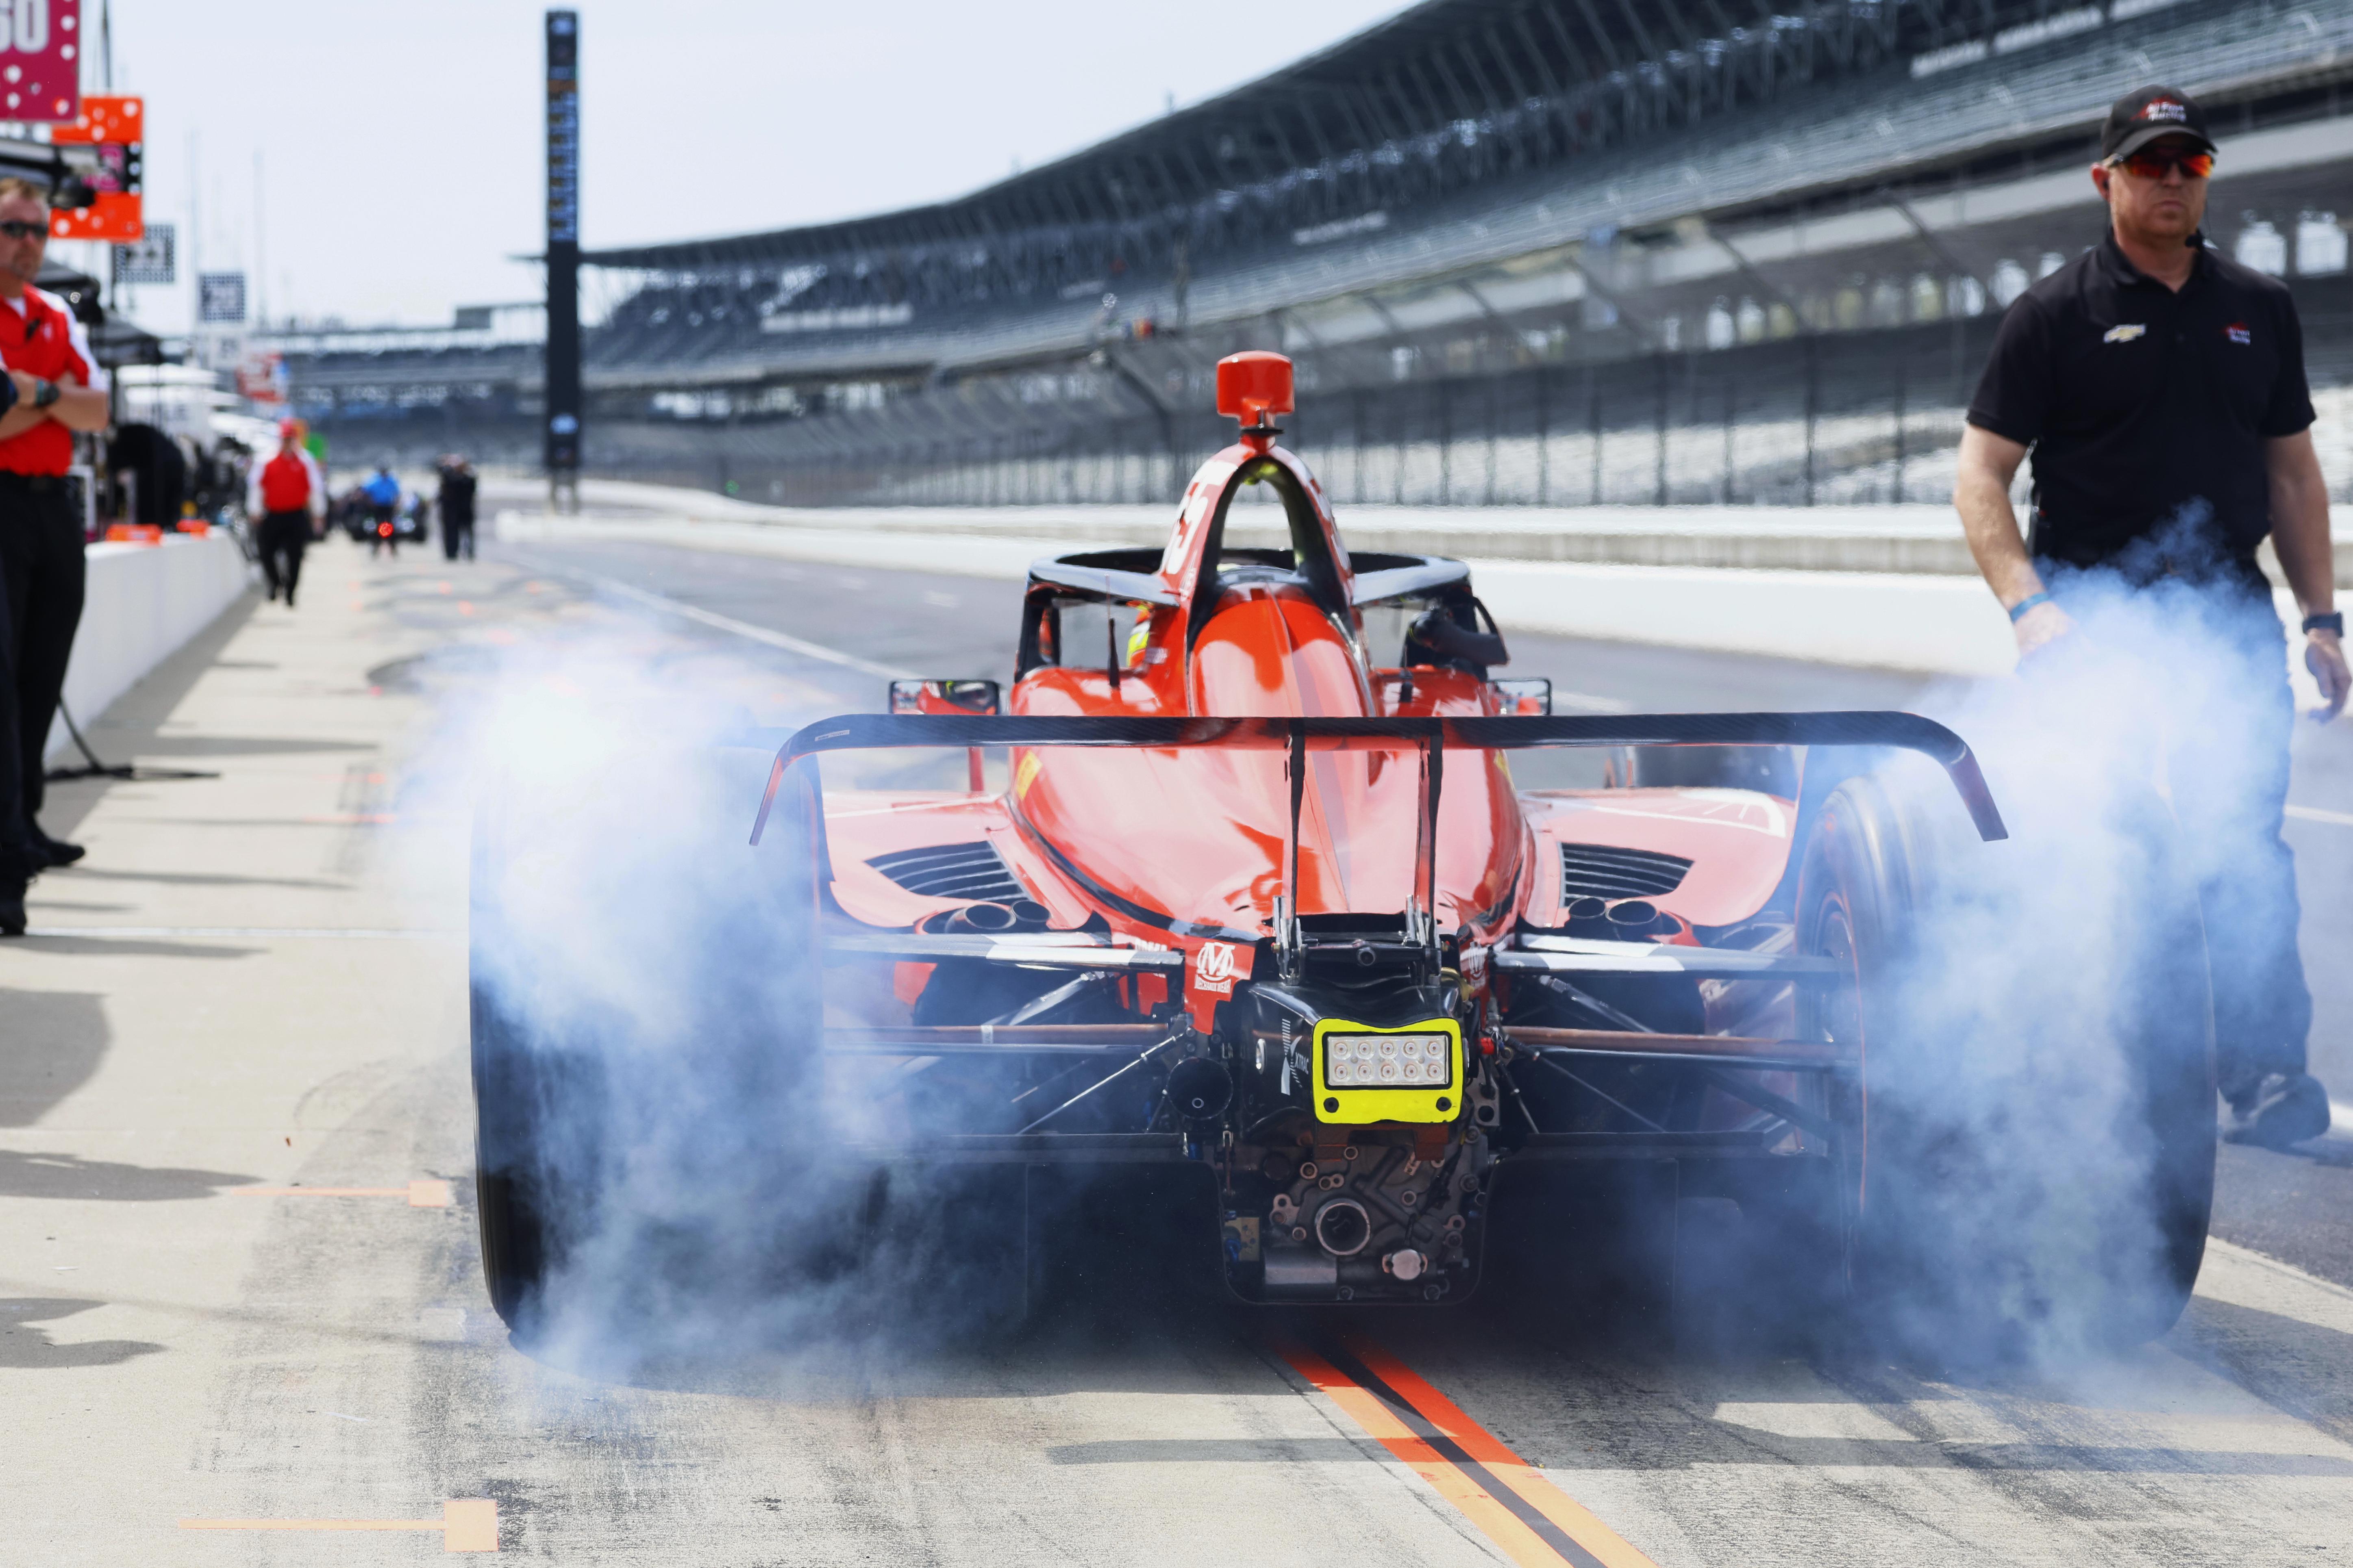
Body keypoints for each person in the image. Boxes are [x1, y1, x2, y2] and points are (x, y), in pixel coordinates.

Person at [1953, 86, 2350, 1150]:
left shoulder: (2257, 305)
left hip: (2226, 613)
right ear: (2106, 179)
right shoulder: (2050, 313)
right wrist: (2030, 609)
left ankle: (2264, 1079)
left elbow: (2294, 478)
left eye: (2189, 164)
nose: (2171, 180)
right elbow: (1979, 479)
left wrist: (2323, 618)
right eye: (2149, 163)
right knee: (2108, 846)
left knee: (2244, 850)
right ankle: (2106, 1065)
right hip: (2092, 624)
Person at [0, 177, 112, 888]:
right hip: (4, 502)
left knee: (44, 670)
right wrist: (53, 399)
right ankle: (8, 837)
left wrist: (32, 391)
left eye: (39, 230)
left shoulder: (55, 315)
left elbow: (97, 410)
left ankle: (27, 820)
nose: (30, 243)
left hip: (53, 508)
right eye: (15, 228)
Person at [246, 418, 323, 606]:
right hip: (273, 514)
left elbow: (315, 489)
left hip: (296, 515)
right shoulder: (266, 460)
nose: (288, 442)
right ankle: (275, 583)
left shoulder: (306, 461)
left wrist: (318, 514)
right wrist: (254, 510)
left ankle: (291, 591)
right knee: (266, 552)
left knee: (295, 556)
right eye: (285, 439)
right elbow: (256, 487)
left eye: (290, 439)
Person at [436, 454, 477, 561]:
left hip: (465, 510)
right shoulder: (450, 478)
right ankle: (452, 553)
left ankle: (469, 552)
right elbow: (441, 473)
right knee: (452, 533)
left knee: (467, 532)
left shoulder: (467, 479)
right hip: (452, 511)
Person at [362, 464, 401, 557]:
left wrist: (396, 504)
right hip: (378, 507)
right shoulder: (374, 481)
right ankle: (376, 546)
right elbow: (366, 492)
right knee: (377, 527)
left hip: (388, 506)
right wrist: (370, 504)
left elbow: (397, 493)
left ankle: (393, 547)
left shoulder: (391, 481)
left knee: (391, 527)